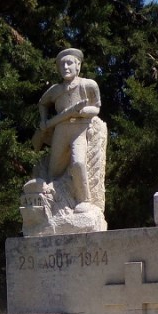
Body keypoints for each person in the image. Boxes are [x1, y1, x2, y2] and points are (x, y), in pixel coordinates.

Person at [34, 48, 101, 206]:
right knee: (53, 170)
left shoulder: (88, 85)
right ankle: (52, 201)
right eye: (62, 65)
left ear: (78, 65)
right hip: (61, 130)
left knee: (78, 163)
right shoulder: (55, 90)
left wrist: (83, 112)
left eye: (69, 63)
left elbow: (97, 108)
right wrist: (43, 121)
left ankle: (84, 200)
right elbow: (42, 103)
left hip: (80, 129)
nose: (65, 67)